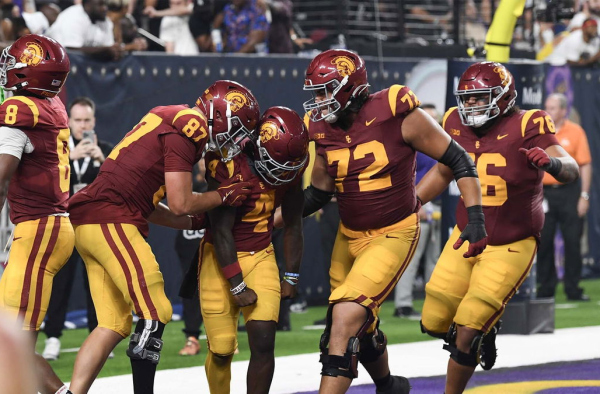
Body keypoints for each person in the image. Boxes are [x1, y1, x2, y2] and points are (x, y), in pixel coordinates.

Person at [300, 49, 487, 394]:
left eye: (326, 90)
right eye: (316, 92)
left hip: (392, 233)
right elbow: (318, 193)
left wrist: (475, 213)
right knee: (357, 325)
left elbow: (457, 159)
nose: (319, 101)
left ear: (350, 87)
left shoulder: (394, 108)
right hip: (349, 235)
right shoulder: (319, 127)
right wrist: (270, 218)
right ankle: (388, 385)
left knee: (342, 322)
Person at [65, 89, 253, 394]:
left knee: (114, 323)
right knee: (156, 310)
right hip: (109, 218)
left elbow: (152, 206)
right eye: (237, 129)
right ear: (220, 117)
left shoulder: (168, 117)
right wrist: (223, 195)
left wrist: (195, 219)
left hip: (93, 220)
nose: (233, 140)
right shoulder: (189, 127)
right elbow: (180, 203)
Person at [417, 61, 580, 394]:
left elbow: (572, 169)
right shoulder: (452, 121)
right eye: (467, 98)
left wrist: (551, 163)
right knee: (432, 321)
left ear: (503, 97)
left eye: (480, 98)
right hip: (465, 235)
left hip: (511, 242)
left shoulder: (529, 123)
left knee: (468, 326)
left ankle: (465, 361)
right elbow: (445, 173)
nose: (471, 105)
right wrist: (411, 201)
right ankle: (485, 332)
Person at [198, 81, 307, 393]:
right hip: (220, 258)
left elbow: (294, 222)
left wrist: (292, 275)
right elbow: (221, 231)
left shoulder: (291, 167)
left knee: (264, 343)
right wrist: (236, 284)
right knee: (221, 349)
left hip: (261, 255)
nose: (284, 173)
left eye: (291, 167)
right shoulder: (230, 164)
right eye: (277, 165)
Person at [0, 34, 74, 394]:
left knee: (12, 343)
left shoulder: (22, 109)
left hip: (40, 228)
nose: (8, 68)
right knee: (9, 341)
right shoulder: (52, 104)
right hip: (46, 226)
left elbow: (1, 177)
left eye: (15, 62)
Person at [42, 96, 114, 361]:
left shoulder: (105, 150)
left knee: (97, 283)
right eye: (78, 120)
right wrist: (69, 159)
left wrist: (103, 161)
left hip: (94, 228)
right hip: (64, 226)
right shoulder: (58, 150)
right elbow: (47, 183)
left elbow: (117, 189)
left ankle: (98, 336)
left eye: (87, 120)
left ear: (94, 121)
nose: (83, 126)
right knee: (59, 283)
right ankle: (52, 337)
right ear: (68, 121)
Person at [538, 93, 592, 301]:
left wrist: (584, 196)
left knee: (572, 241)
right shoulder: (539, 132)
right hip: (544, 194)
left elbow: (585, 164)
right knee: (544, 241)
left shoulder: (576, 131)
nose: (548, 111)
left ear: (562, 110)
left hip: (569, 192)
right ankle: (546, 287)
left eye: (552, 108)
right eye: (547, 107)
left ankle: (573, 288)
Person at [47, 0, 124, 61]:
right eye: (100, 4)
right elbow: (71, 50)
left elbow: (109, 47)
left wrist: (114, 51)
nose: (105, 8)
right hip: (52, 60)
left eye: (105, 4)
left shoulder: (104, 20)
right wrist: (103, 50)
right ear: (88, 5)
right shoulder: (73, 17)